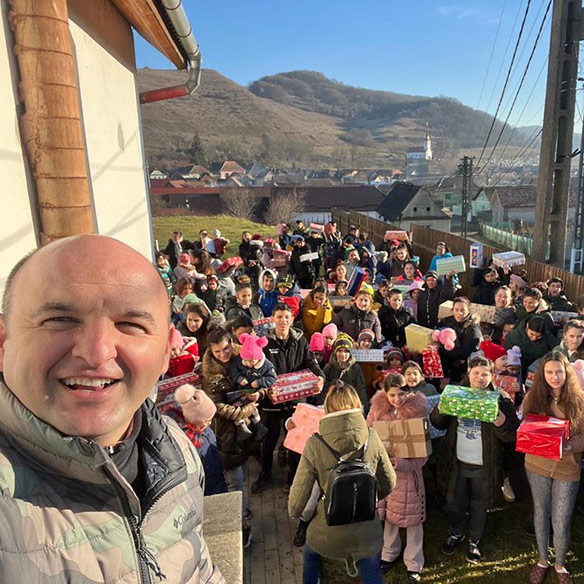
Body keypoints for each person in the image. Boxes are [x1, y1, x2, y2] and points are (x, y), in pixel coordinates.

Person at [0, 234, 223, 582]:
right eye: (60, 319)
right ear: (3, 343)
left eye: (131, 325)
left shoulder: (175, 452)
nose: (97, 352)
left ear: (166, 353)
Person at [288, 381, 397, 584]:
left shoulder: (315, 444)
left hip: (328, 529)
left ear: (327, 407)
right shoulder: (372, 437)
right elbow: (389, 482)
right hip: (367, 529)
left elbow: (296, 501)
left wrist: (296, 514)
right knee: (371, 568)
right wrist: (365, 495)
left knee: (310, 554)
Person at [430, 356, 519, 565]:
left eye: (485, 374)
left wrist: (501, 421)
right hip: (457, 461)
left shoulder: (500, 399)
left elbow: (511, 436)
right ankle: (456, 532)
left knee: (480, 503)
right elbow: (438, 424)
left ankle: (474, 541)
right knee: (455, 501)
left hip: (484, 464)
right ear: (468, 373)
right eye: (476, 373)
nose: (480, 378)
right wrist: (440, 410)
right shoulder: (455, 394)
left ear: (491, 375)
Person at [523, 352, 584, 584]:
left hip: (567, 468)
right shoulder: (533, 397)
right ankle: (542, 559)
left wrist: (570, 444)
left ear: (567, 372)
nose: (554, 376)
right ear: (542, 374)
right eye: (549, 372)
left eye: (559, 371)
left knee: (561, 518)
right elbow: (526, 426)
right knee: (541, 511)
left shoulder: (580, 401)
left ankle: (559, 564)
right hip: (537, 464)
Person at [252, 303, 325, 494]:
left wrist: (320, 378)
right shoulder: (263, 342)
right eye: (279, 317)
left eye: (286, 317)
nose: (283, 321)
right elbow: (256, 370)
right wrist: (266, 389)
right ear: (272, 319)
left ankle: (293, 478)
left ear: (292, 320)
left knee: (296, 442)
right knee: (268, 443)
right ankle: (265, 474)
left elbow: (311, 363)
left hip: (295, 403)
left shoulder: (301, 341)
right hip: (271, 404)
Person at [367, 374, 429, 582]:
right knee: (390, 517)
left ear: (408, 392)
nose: (396, 399)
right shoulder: (377, 410)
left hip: (409, 476)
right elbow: (367, 433)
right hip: (385, 474)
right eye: (392, 394)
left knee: (413, 521)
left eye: (401, 394)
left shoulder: (417, 413)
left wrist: (402, 463)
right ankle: (388, 553)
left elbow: (422, 454)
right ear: (385, 393)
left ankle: (414, 561)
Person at [438, 297, 483, 383]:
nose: (460, 313)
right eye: (456, 310)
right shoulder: (447, 321)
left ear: (469, 310)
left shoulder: (472, 328)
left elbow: (464, 352)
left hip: (463, 368)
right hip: (446, 364)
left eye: (463, 310)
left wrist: (442, 350)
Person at [323, 335, 368, 406]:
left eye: (346, 351)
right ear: (335, 352)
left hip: (350, 402)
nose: (343, 354)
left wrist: (364, 405)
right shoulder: (329, 367)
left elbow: (360, 388)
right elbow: (324, 388)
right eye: (340, 351)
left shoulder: (355, 368)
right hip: (333, 402)